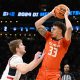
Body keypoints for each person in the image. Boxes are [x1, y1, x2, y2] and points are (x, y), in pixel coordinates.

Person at [35, 6, 73, 80]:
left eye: (54, 29)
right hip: (42, 71)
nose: (51, 30)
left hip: (54, 74)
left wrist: (66, 16)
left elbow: (69, 28)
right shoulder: (48, 36)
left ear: (60, 31)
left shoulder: (65, 42)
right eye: (51, 28)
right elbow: (37, 24)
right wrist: (51, 14)